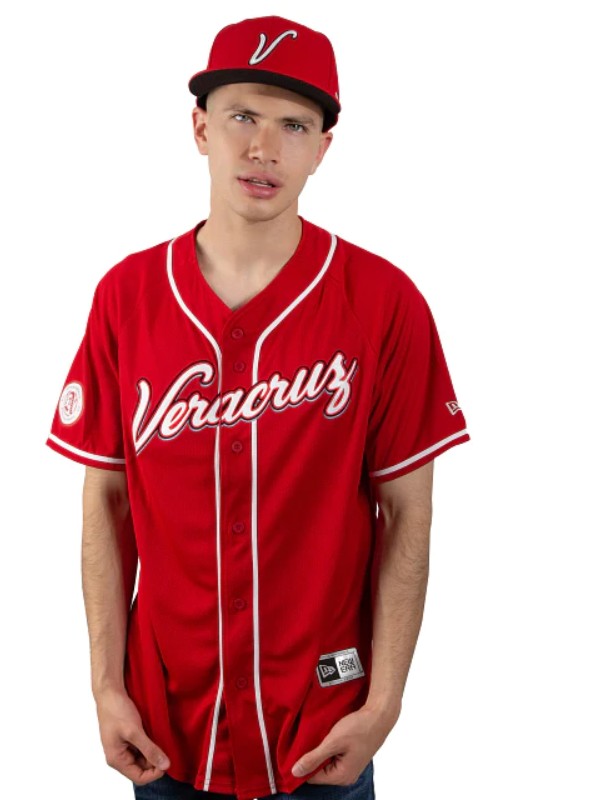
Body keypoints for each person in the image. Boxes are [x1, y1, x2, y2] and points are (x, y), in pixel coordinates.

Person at [45, 14, 470, 800]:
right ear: (200, 128)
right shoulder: (127, 297)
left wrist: (383, 704)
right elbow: (106, 500)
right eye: (242, 116)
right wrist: (105, 685)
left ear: (323, 147)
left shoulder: (385, 303)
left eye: (293, 126)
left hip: (323, 725)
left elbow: (407, 512)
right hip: (165, 726)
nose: (264, 149)